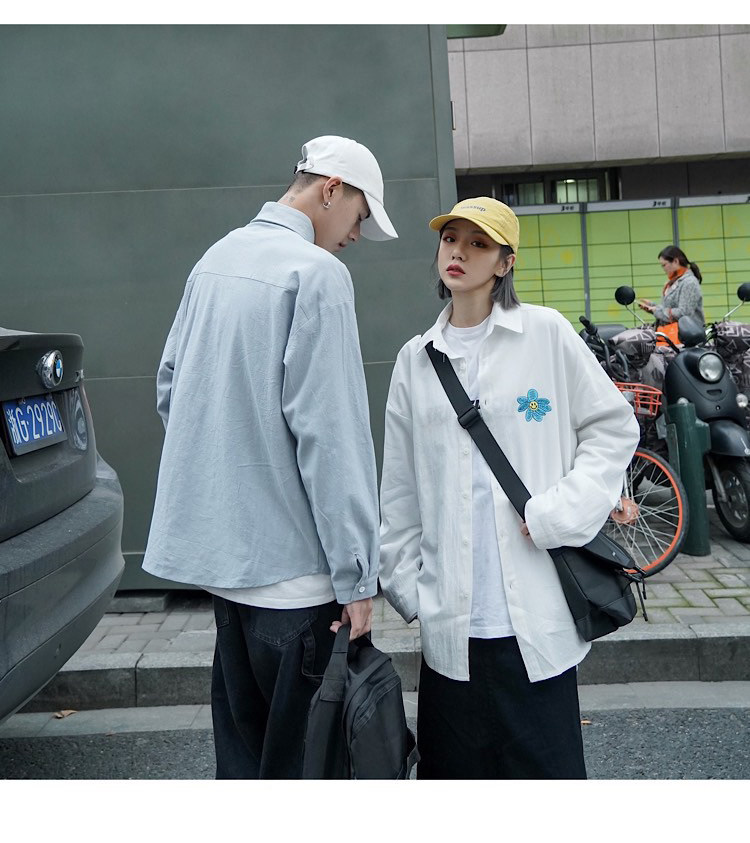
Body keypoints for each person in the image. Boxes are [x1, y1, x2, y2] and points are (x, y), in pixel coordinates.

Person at [142, 135, 398, 779]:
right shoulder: (316, 275)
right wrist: (357, 577)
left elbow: (172, 389)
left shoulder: (217, 258)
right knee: (306, 771)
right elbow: (332, 439)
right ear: (331, 190)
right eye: (360, 216)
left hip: (228, 577)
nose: (356, 235)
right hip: (300, 581)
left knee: (246, 766)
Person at [378, 197, 639, 779]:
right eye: (451, 239)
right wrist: (408, 589)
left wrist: (558, 513)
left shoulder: (544, 334)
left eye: (479, 244)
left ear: (505, 262)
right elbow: (399, 487)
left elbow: (613, 426)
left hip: (536, 620)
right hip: (451, 628)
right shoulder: (416, 361)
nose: (459, 252)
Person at [638, 245, 704, 328]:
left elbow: (684, 313)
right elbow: (668, 308)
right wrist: (652, 306)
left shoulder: (689, 283)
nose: (663, 269)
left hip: (687, 334)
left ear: (676, 261)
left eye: (664, 265)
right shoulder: (673, 282)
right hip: (672, 332)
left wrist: (656, 311)